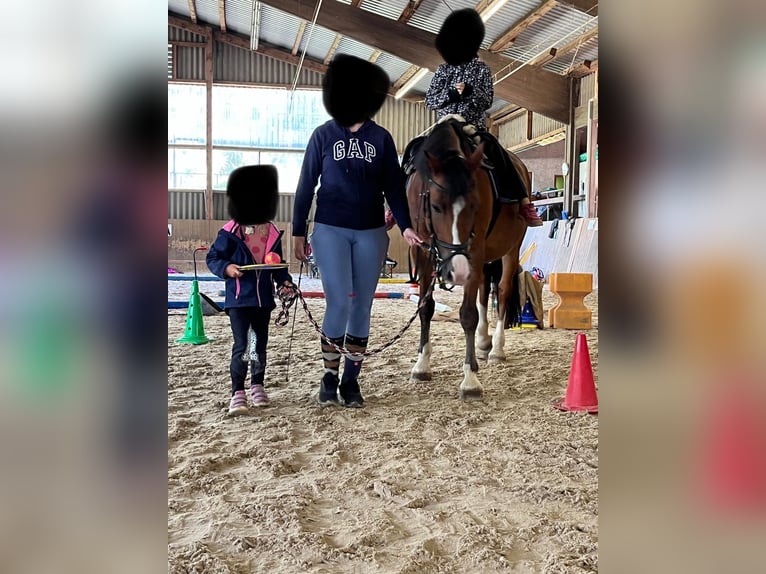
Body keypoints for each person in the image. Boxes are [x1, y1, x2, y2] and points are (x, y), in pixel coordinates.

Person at [293, 54, 422, 408]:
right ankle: (329, 375)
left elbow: (394, 187)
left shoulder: (381, 138)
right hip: (330, 228)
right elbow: (305, 185)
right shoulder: (323, 135)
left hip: (370, 231)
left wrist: (407, 226)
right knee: (339, 301)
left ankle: (351, 381)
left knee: (362, 305)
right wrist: (297, 231)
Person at [425, 8, 542, 227]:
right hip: (445, 127)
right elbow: (430, 100)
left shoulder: (482, 70)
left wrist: (469, 91)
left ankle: (524, 202)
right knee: (416, 151)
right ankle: (397, 208)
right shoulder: (443, 70)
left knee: (499, 154)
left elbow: (487, 100)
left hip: (472, 127)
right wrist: (451, 93)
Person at [207, 165, 296, 416]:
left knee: (259, 344)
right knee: (242, 344)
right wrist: (227, 268)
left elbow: (277, 264)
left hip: (263, 301)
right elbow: (213, 257)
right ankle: (238, 391)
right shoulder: (229, 233)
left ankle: (257, 385)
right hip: (238, 300)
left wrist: (284, 282)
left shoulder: (271, 233)